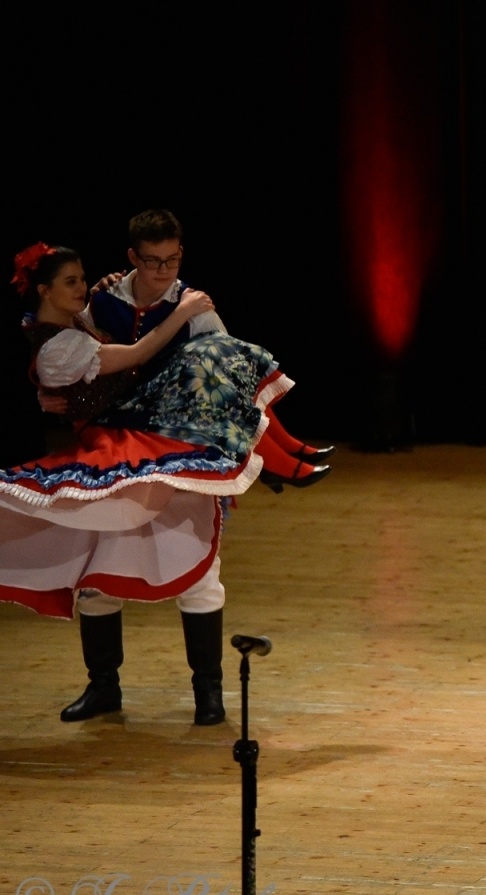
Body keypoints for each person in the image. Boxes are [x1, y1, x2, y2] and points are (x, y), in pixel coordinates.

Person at [2, 244, 295, 725]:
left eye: (83, 279)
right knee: (99, 574)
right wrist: (182, 312)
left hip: (159, 446)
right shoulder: (57, 345)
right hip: (111, 459)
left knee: (198, 568)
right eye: (71, 281)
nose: (83, 286)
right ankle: (104, 687)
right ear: (44, 290)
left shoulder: (83, 315)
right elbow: (132, 355)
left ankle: (208, 692)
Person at [89, 209, 332, 487]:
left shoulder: (189, 299)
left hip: (180, 401)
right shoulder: (106, 298)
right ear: (133, 257)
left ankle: (283, 450)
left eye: (172, 260)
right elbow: (71, 350)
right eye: (153, 261)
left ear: (181, 253)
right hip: (127, 404)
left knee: (219, 359)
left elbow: (228, 361)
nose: (164, 270)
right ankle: (279, 460)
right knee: (207, 363)